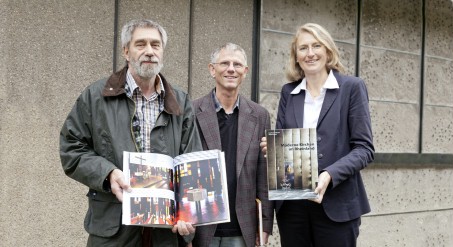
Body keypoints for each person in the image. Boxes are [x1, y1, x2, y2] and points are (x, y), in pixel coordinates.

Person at [59, 19, 202, 247]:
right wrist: (108, 173)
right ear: (126, 51)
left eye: (155, 45)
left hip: (165, 234)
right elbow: (71, 148)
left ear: (162, 52)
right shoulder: (96, 97)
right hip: (114, 230)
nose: (149, 52)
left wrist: (188, 212)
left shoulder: (180, 102)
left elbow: (192, 163)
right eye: (140, 44)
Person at [260, 23, 374, 247]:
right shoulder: (288, 93)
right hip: (293, 206)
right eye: (303, 48)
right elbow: (284, 144)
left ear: (328, 50)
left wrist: (329, 175)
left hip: (336, 204)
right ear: (296, 56)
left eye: (316, 46)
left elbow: (364, 149)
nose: (310, 53)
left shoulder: (351, 88)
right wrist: (273, 149)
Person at [191, 43, 274, 247]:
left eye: (237, 65)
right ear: (212, 69)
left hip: (242, 228)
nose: (231, 69)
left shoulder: (260, 116)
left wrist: (264, 226)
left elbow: (264, 176)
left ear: (245, 72)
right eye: (225, 63)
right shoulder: (191, 112)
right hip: (200, 226)